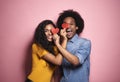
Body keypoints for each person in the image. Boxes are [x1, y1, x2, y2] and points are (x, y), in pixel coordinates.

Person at [56, 9, 91, 82]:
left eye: (71, 24)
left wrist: (58, 46)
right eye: (65, 24)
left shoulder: (85, 43)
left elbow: (76, 61)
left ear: (77, 27)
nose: (68, 27)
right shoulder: (60, 43)